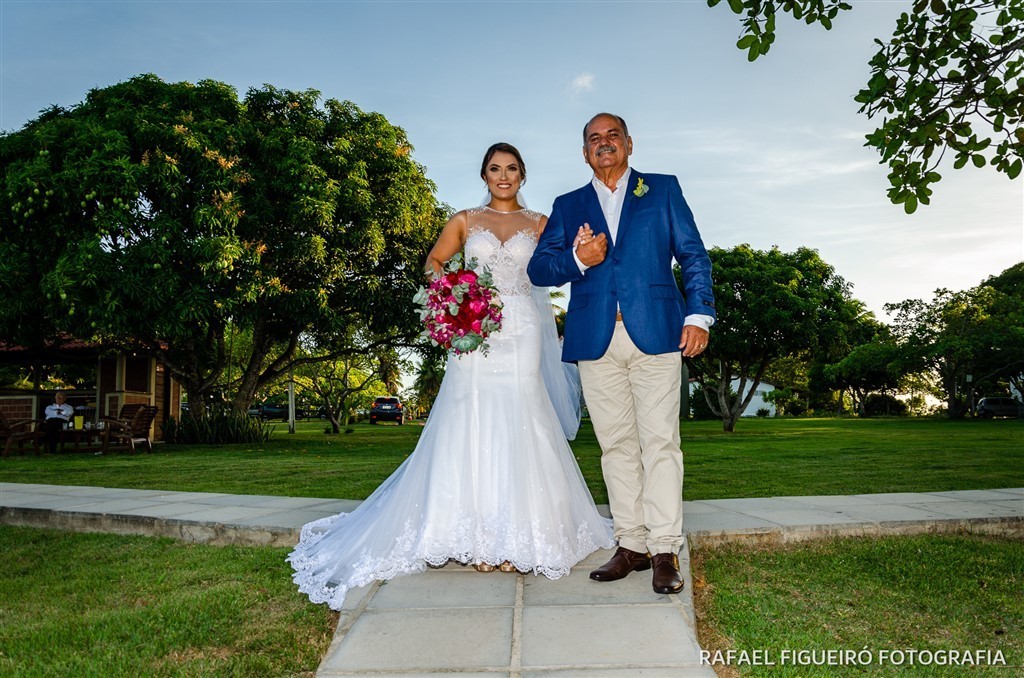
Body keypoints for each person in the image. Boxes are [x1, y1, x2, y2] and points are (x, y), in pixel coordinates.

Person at [288, 142, 614, 610]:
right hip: (472, 328)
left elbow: (555, 271)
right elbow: (433, 262)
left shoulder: (541, 223)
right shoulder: (465, 219)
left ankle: (521, 536)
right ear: (484, 175)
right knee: (468, 417)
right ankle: (474, 537)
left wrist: (580, 251)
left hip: (521, 328)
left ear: (523, 175)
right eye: (495, 169)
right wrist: (452, 295)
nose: (504, 176)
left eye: (512, 169)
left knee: (522, 413)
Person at [527, 113, 716, 595]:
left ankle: (665, 549)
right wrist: (577, 259)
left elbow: (693, 254)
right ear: (584, 152)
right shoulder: (568, 204)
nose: (604, 143)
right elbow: (539, 269)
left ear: (629, 144)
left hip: (657, 333)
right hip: (595, 338)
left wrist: (699, 316)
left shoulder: (663, 189)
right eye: (594, 138)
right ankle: (631, 545)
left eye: (613, 136)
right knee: (615, 446)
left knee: (661, 444)